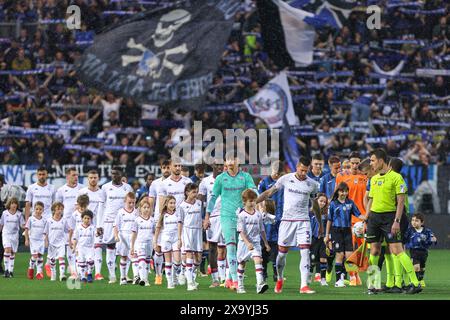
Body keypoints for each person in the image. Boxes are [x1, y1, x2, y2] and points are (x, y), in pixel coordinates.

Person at [257, 156, 321, 294]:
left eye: (306, 171)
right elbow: (269, 192)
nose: (303, 173)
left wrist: (320, 223)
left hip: (303, 221)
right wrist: (254, 201)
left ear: (308, 169)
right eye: (301, 170)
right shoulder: (285, 179)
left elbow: (314, 204)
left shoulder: (312, 184)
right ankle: (280, 278)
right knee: (281, 255)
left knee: (305, 251)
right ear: (297, 166)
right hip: (287, 221)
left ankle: (304, 285)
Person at [366, 148, 422, 294]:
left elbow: (401, 201)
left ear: (380, 160)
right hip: (374, 218)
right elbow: (371, 200)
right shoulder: (374, 179)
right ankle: (373, 285)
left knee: (397, 250)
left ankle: (415, 283)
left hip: (389, 218)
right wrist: (365, 218)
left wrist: (396, 221)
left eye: (372, 160)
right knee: (374, 251)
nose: (371, 164)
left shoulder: (397, 178)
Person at [204, 154, 257, 291]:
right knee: (231, 247)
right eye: (228, 160)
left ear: (238, 161)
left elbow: (253, 191)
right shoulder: (221, 179)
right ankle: (234, 281)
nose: (230, 162)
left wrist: (257, 203)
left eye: (233, 159)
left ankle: (228, 278)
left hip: (242, 217)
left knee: (240, 251)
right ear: (225, 162)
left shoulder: (245, 177)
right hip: (226, 217)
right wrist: (207, 216)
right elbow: (213, 198)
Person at [325, 182, 366, 287]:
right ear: (338, 191)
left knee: (349, 256)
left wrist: (368, 217)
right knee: (340, 255)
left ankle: (349, 276)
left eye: (346, 191)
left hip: (347, 231)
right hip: (336, 231)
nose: (344, 193)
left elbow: (359, 215)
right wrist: (327, 235)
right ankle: (338, 281)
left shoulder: (350, 203)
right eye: (342, 191)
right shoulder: (333, 204)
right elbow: (329, 220)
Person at [335, 152, 368, 286]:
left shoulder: (366, 177)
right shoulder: (341, 177)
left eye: (357, 163)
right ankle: (353, 275)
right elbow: (337, 197)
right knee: (349, 250)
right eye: (352, 163)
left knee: (362, 250)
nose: (354, 166)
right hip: (347, 219)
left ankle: (359, 273)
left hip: (363, 218)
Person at [158, 160, 192, 286]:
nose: (178, 168)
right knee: (171, 254)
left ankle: (181, 272)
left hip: (186, 222)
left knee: (181, 255)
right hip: (170, 223)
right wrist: (159, 224)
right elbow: (161, 205)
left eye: (179, 166)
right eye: (175, 166)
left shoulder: (187, 182)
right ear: (171, 167)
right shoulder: (164, 184)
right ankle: (172, 279)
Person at [100, 167, 133, 284]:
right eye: (112, 173)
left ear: (121, 174)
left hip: (124, 222)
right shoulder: (105, 187)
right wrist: (100, 224)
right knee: (110, 247)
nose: (114, 175)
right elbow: (101, 206)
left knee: (127, 248)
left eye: (116, 174)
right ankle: (112, 275)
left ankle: (125, 275)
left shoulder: (127, 187)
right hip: (109, 221)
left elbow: (131, 205)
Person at [236, 189, 270, 294]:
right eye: (250, 201)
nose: (253, 203)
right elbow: (240, 231)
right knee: (242, 263)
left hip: (255, 242)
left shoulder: (258, 214)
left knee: (258, 260)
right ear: (244, 202)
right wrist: (247, 243)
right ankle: (240, 285)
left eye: (254, 201)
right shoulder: (241, 215)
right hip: (244, 243)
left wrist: (266, 243)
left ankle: (259, 284)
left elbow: (262, 229)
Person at [198, 161, 225, 287]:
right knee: (212, 248)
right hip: (212, 217)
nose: (219, 167)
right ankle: (215, 279)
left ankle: (228, 278)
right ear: (212, 166)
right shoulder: (205, 181)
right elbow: (200, 200)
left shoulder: (229, 179)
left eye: (221, 165)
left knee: (229, 247)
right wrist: (203, 218)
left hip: (226, 216)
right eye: (217, 165)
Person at [55, 167, 85, 278]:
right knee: (70, 248)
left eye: (77, 175)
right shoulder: (61, 190)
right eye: (73, 175)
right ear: (67, 176)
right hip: (68, 224)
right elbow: (58, 207)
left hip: (81, 223)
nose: (76, 177)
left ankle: (82, 270)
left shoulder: (82, 188)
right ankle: (73, 271)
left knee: (81, 248)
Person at [257, 160, 284, 282]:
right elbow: (259, 197)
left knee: (277, 247)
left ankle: (276, 273)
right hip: (266, 218)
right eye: (275, 172)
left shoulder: (284, 182)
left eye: (279, 173)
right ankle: (264, 272)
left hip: (280, 217)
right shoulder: (264, 182)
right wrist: (262, 211)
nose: (277, 175)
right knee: (264, 245)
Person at [78, 170, 106, 280]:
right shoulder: (82, 192)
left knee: (98, 248)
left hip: (97, 225)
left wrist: (101, 225)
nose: (93, 179)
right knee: (83, 249)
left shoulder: (102, 192)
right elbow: (78, 208)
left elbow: (104, 209)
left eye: (95, 177)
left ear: (98, 178)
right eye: (91, 177)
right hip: (85, 227)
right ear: (87, 179)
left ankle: (98, 273)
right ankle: (83, 272)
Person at [148, 160, 171, 285]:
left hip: (172, 219)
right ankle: (158, 275)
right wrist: (151, 218)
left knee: (172, 249)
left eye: (168, 167)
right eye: (164, 167)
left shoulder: (177, 182)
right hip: (158, 219)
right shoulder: (155, 184)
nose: (166, 170)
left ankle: (173, 276)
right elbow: (151, 202)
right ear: (161, 168)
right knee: (158, 249)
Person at [178, 183, 203, 291]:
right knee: (189, 255)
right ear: (187, 192)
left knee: (198, 259)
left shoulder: (199, 203)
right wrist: (179, 237)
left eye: (196, 191)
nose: (195, 194)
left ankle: (186, 272)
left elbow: (200, 217)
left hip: (198, 231)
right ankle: (190, 283)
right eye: (193, 192)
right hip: (187, 231)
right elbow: (180, 222)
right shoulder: (182, 206)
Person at [153, 196, 180, 289]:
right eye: (171, 203)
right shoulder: (163, 215)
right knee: (168, 261)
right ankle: (170, 282)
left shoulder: (178, 214)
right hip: (166, 240)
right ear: (166, 204)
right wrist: (155, 241)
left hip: (176, 239)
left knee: (177, 260)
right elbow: (158, 228)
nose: (173, 205)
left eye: (174, 203)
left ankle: (175, 275)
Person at [404, 213, 437, 288]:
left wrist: (433, 239)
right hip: (414, 251)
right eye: (412, 220)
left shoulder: (427, 231)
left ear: (422, 222)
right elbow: (404, 238)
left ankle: (421, 279)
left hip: (424, 252)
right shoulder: (409, 230)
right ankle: (414, 282)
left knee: (422, 267)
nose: (414, 222)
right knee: (416, 267)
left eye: (416, 221)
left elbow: (432, 238)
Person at [114, 192, 139, 285]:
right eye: (129, 202)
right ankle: (123, 277)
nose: (132, 204)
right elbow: (116, 226)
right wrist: (116, 236)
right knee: (124, 257)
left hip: (133, 236)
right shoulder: (121, 212)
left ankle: (136, 276)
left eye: (133, 202)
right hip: (123, 236)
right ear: (125, 201)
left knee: (134, 255)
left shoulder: (136, 212)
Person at [130, 199, 155, 287]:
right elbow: (134, 234)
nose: (146, 209)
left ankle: (146, 279)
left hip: (149, 243)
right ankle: (142, 279)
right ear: (140, 209)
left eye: (148, 207)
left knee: (147, 261)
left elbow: (154, 233)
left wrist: (154, 243)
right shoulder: (137, 220)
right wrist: (132, 246)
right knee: (141, 260)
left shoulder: (152, 220)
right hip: (140, 243)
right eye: (144, 207)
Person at [0, 197, 25, 278]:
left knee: (12, 252)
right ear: (9, 204)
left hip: (15, 235)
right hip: (6, 233)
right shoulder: (5, 213)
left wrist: (26, 228)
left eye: (15, 203)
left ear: (17, 205)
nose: (14, 205)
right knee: (7, 249)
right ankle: (6, 270)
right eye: (12, 203)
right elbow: (1, 224)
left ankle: (11, 271)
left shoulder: (19, 214)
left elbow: (22, 224)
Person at [44, 202, 69, 281]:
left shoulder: (64, 220)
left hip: (61, 243)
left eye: (61, 209)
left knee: (61, 258)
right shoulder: (49, 221)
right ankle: (53, 274)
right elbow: (46, 232)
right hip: (52, 243)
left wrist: (70, 239)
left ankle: (62, 275)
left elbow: (67, 230)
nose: (60, 211)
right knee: (52, 260)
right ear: (53, 210)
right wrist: (46, 241)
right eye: (58, 209)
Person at [309, 193, 329, 286]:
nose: (322, 203)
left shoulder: (326, 214)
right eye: (321, 201)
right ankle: (309, 277)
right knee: (312, 259)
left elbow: (328, 226)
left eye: (324, 202)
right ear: (316, 201)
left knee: (323, 258)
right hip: (313, 239)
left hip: (322, 239)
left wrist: (328, 237)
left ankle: (323, 279)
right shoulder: (310, 212)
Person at [24, 201, 47, 280]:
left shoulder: (44, 220)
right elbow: (26, 229)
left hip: (41, 240)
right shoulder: (31, 219)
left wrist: (46, 240)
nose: (38, 211)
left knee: (40, 256)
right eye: (37, 209)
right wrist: (26, 239)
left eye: (40, 209)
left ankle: (39, 273)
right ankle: (31, 269)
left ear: (43, 210)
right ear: (34, 209)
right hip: (33, 240)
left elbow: (46, 231)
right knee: (34, 256)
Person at [72, 210, 96, 283]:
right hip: (81, 248)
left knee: (91, 261)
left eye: (88, 218)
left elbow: (96, 235)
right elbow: (75, 238)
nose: (86, 220)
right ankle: (83, 277)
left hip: (90, 248)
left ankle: (89, 274)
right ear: (82, 218)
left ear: (91, 219)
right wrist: (74, 247)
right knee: (81, 263)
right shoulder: (78, 228)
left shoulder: (93, 227)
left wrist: (99, 233)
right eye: (85, 218)